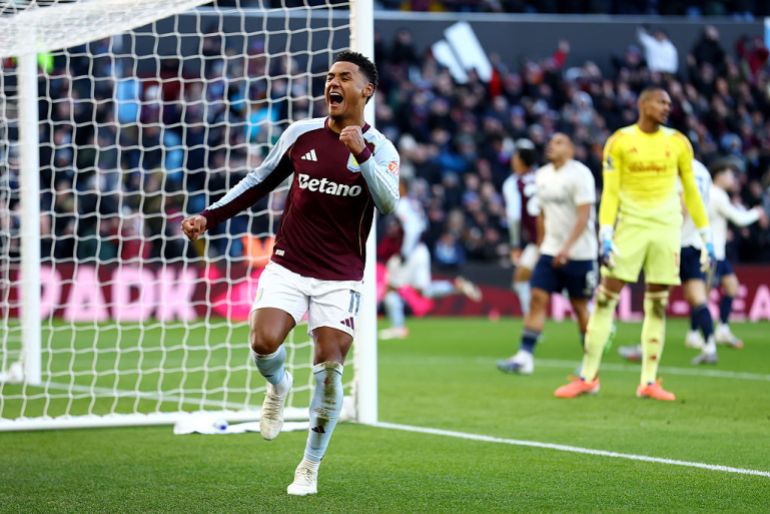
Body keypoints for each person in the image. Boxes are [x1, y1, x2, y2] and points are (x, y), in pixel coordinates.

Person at [181, 51, 399, 496]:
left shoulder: (383, 149)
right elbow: (259, 181)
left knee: (330, 369)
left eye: (344, 77)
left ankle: (309, 467)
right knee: (263, 343)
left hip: (341, 277)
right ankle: (279, 384)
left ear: (366, 91)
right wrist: (209, 216)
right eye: (329, 77)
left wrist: (362, 155)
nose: (332, 83)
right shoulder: (301, 134)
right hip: (289, 265)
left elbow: (388, 203)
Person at [554, 87, 714, 401]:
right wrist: (606, 233)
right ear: (643, 105)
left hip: (667, 229)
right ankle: (588, 376)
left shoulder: (678, 142)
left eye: (669, 103)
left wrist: (706, 236)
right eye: (661, 102)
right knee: (604, 299)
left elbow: (691, 194)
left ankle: (649, 382)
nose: (667, 107)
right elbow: (610, 192)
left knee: (657, 304)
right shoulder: (620, 142)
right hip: (630, 228)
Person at [497, 133, 597, 375]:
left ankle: (589, 363)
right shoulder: (542, 175)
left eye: (560, 142)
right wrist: (543, 246)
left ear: (571, 150)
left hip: (580, 253)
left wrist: (567, 248)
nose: (552, 145)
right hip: (550, 250)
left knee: (580, 306)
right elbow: (541, 215)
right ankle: (524, 356)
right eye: (551, 142)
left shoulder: (580, 174)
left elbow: (584, 216)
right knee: (537, 298)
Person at [617, 159, 719, 365]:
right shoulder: (703, 171)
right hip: (694, 243)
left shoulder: (678, 168)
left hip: (674, 242)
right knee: (696, 297)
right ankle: (710, 346)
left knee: (657, 296)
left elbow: (683, 204)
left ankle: (646, 348)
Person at [379, 178, 481, 340]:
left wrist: (405, 251)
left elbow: (412, 229)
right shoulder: (414, 203)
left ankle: (398, 327)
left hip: (408, 252)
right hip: (421, 250)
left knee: (391, 288)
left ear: (402, 187)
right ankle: (456, 286)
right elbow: (422, 225)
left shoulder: (402, 205)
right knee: (423, 291)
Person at [708, 162, 767, 348]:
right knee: (704, 294)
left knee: (731, 287)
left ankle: (722, 329)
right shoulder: (716, 195)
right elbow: (739, 219)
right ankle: (698, 334)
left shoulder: (717, 195)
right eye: (730, 175)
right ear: (719, 175)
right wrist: (756, 213)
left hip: (718, 252)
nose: (733, 180)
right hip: (712, 251)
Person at [501, 138, 539, 315]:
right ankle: (532, 324)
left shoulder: (512, 183)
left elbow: (514, 216)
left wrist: (515, 245)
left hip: (540, 241)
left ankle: (530, 324)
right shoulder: (545, 175)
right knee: (521, 280)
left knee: (520, 282)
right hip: (554, 236)